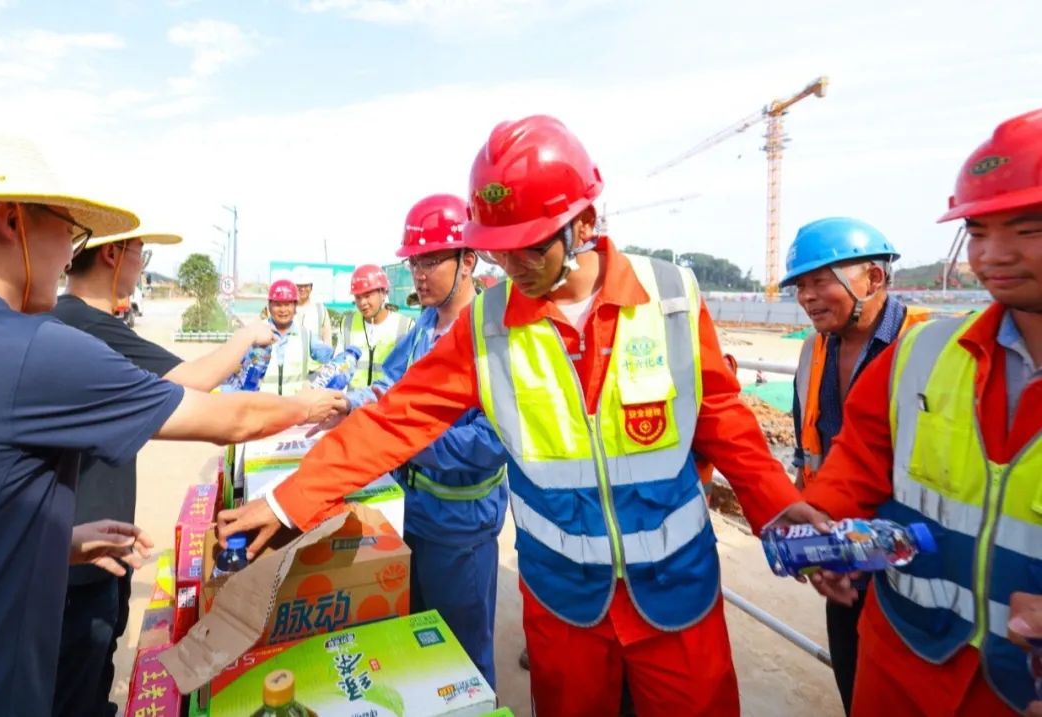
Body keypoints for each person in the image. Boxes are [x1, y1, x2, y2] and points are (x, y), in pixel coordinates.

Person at [219, 115, 823, 716]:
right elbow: (394, 419)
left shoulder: (669, 296)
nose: (511, 268)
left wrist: (777, 505)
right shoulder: (487, 327)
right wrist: (288, 500)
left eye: (528, 247)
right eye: (499, 251)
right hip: (566, 606)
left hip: (675, 594)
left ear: (584, 222)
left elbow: (719, 414)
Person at [0, 132, 346, 716]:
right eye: (69, 228)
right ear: (11, 220)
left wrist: (54, 545)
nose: (69, 252)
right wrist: (312, 406)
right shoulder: (35, 349)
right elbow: (229, 416)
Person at [796, 109, 1042, 715]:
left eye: (1029, 228)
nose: (994, 254)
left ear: (873, 277)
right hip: (904, 654)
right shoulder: (924, 355)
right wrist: (821, 527)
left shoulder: (909, 336)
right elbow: (859, 455)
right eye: (978, 230)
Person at [49, 226, 283, 716]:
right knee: (77, 687)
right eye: (140, 254)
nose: (140, 265)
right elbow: (191, 385)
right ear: (113, 255)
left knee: (89, 678)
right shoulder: (89, 327)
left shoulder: (74, 323)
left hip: (87, 546)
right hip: (82, 564)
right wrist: (246, 336)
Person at [329, 194, 508, 686]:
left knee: (465, 661)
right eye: (414, 262)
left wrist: (401, 438)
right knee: (418, 647)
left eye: (431, 260)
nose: (419, 274)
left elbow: (490, 442)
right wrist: (349, 404)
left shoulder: (495, 336)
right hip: (411, 514)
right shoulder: (425, 327)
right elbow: (392, 386)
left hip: (461, 529)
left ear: (468, 260)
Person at [781, 217, 928, 714]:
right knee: (854, 680)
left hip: (915, 553)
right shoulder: (812, 350)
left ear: (875, 279)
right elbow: (810, 446)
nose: (807, 296)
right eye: (801, 285)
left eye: (821, 280)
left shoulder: (927, 347)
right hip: (840, 551)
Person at [337, 264, 413, 388]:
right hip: (354, 404)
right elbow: (339, 367)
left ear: (383, 293)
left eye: (367, 296)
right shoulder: (347, 324)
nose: (362, 303)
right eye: (358, 297)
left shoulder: (405, 326)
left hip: (388, 403)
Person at [255, 279, 333, 395]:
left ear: (295, 307)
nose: (283, 310)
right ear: (269, 306)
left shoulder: (306, 335)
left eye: (287, 304)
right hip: (263, 407)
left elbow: (327, 359)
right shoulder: (256, 332)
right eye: (278, 305)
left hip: (295, 407)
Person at [291, 265, 333, 349]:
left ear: (311, 287)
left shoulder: (320, 310)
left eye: (306, 285)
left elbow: (327, 341)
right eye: (298, 285)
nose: (302, 289)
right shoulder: (284, 309)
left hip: (315, 361)